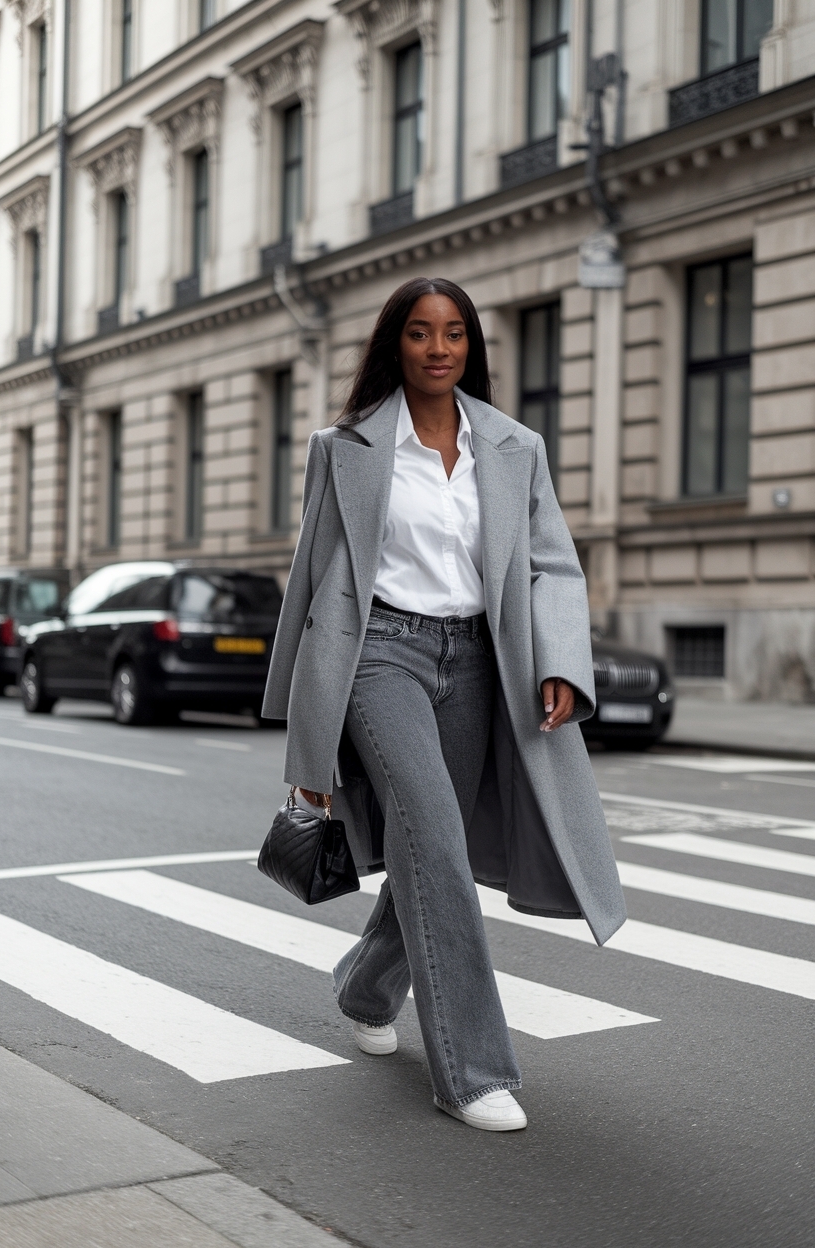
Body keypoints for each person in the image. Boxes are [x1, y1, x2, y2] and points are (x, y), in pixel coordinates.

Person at [262, 277, 626, 1132]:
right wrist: (306, 738)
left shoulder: (512, 446)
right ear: (396, 344)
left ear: (471, 347)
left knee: (440, 850)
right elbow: (314, 580)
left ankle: (366, 986)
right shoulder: (344, 445)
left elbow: (552, 566)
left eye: (454, 333)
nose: (438, 348)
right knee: (427, 828)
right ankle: (472, 1071)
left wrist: (562, 660)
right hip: (378, 654)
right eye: (421, 333)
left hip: (475, 662)